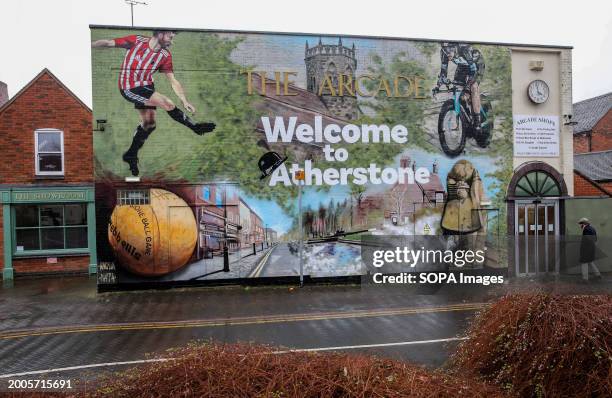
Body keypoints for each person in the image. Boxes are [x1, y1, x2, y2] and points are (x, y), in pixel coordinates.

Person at [92, 30, 216, 176]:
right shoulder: (136, 41)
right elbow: (108, 43)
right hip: (129, 87)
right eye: (170, 37)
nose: (172, 41)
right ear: (160, 34)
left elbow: (173, 80)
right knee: (167, 103)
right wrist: (88, 45)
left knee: (149, 124)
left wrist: (184, 100)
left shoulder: (165, 56)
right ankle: (195, 127)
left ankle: (130, 154)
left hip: (147, 86)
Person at [436, 42, 485, 133]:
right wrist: (439, 85)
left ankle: (477, 122)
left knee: (473, 87)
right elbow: (443, 72)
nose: (448, 53)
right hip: (463, 66)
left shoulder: (465, 49)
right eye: (445, 50)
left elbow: (473, 71)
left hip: (476, 66)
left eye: (450, 49)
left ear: (455, 47)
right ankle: (465, 114)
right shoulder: (444, 52)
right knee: (457, 87)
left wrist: (467, 88)